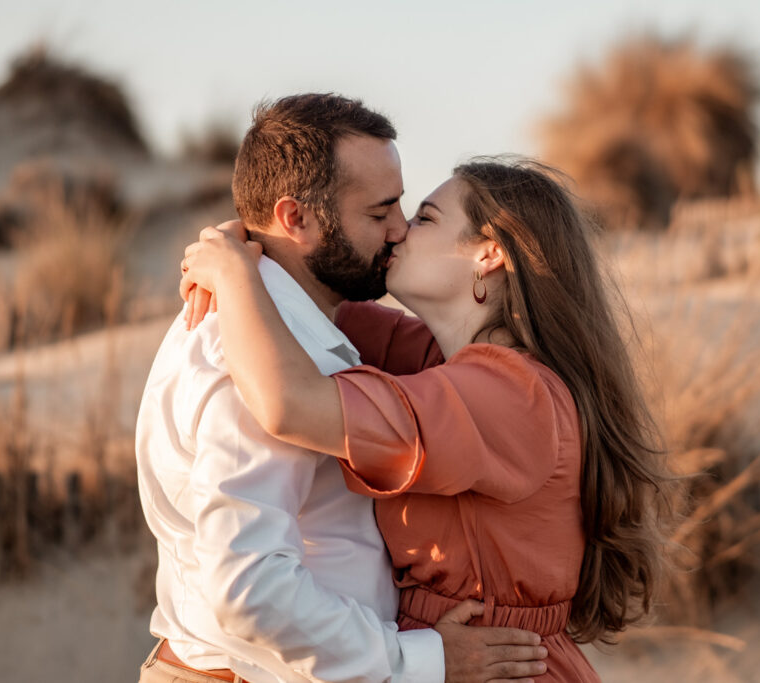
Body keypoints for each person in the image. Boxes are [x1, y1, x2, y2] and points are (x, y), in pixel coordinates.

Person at [178, 156, 678, 682]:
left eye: (425, 219)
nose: (397, 232)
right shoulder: (444, 360)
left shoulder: (508, 394)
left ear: (489, 254)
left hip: (495, 666)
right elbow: (306, 298)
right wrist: (259, 245)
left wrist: (234, 274)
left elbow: (290, 404)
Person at [136, 94, 547, 683]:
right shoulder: (254, 358)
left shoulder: (287, 326)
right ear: (295, 218)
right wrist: (423, 662)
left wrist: (235, 257)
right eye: (380, 213)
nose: (400, 229)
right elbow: (247, 586)